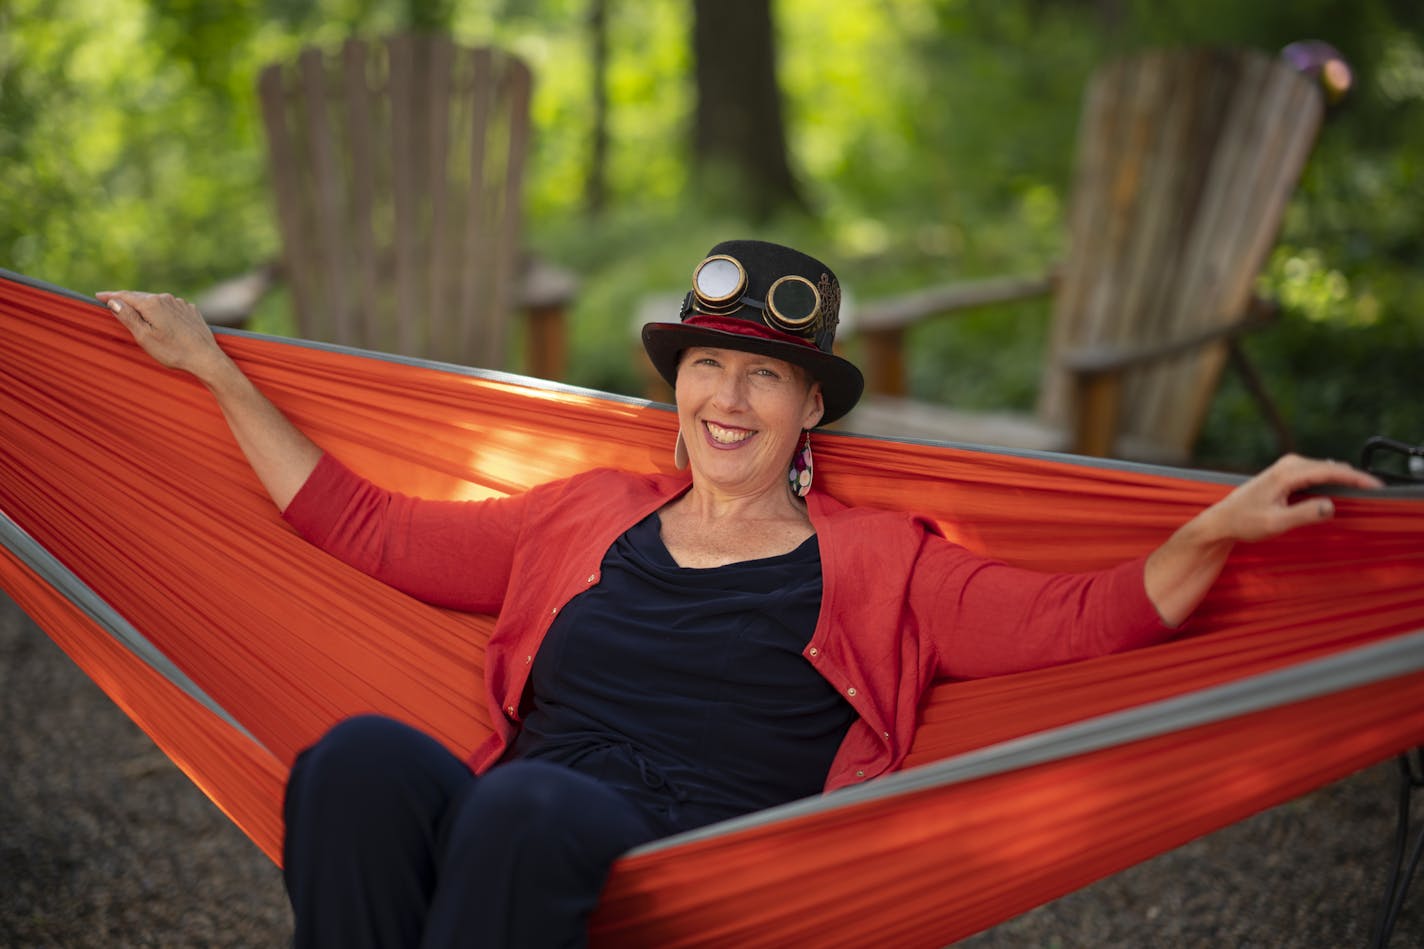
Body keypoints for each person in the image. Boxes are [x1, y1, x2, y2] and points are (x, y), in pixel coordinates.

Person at [98, 239, 1382, 948]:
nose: (725, 397)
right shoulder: (585, 514)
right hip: (522, 823)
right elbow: (367, 525)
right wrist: (214, 369)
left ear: (809, 405)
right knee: (355, 762)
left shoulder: (881, 560)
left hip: (704, 859)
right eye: (707, 365)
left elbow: (1079, 615)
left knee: (525, 808)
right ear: (677, 387)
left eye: (762, 377)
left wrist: (1211, 528)